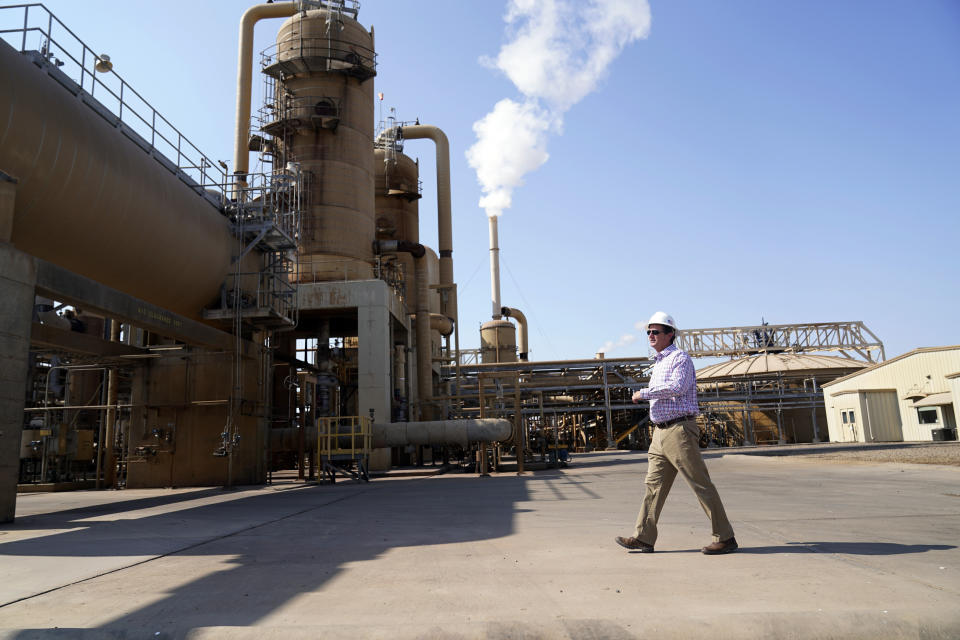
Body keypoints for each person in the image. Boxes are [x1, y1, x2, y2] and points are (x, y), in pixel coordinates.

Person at [615, 311, 738, 555]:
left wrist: (644, 393)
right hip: (660, 433)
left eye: (656, 331)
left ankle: (725, 537)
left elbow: (677, 387)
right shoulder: (659, 362)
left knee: (699, 484)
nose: (650, 335)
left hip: (679, 429)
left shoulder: (680, 358)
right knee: (653, 486)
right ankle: (643, 537)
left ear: (670, 334)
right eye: (648, 331)